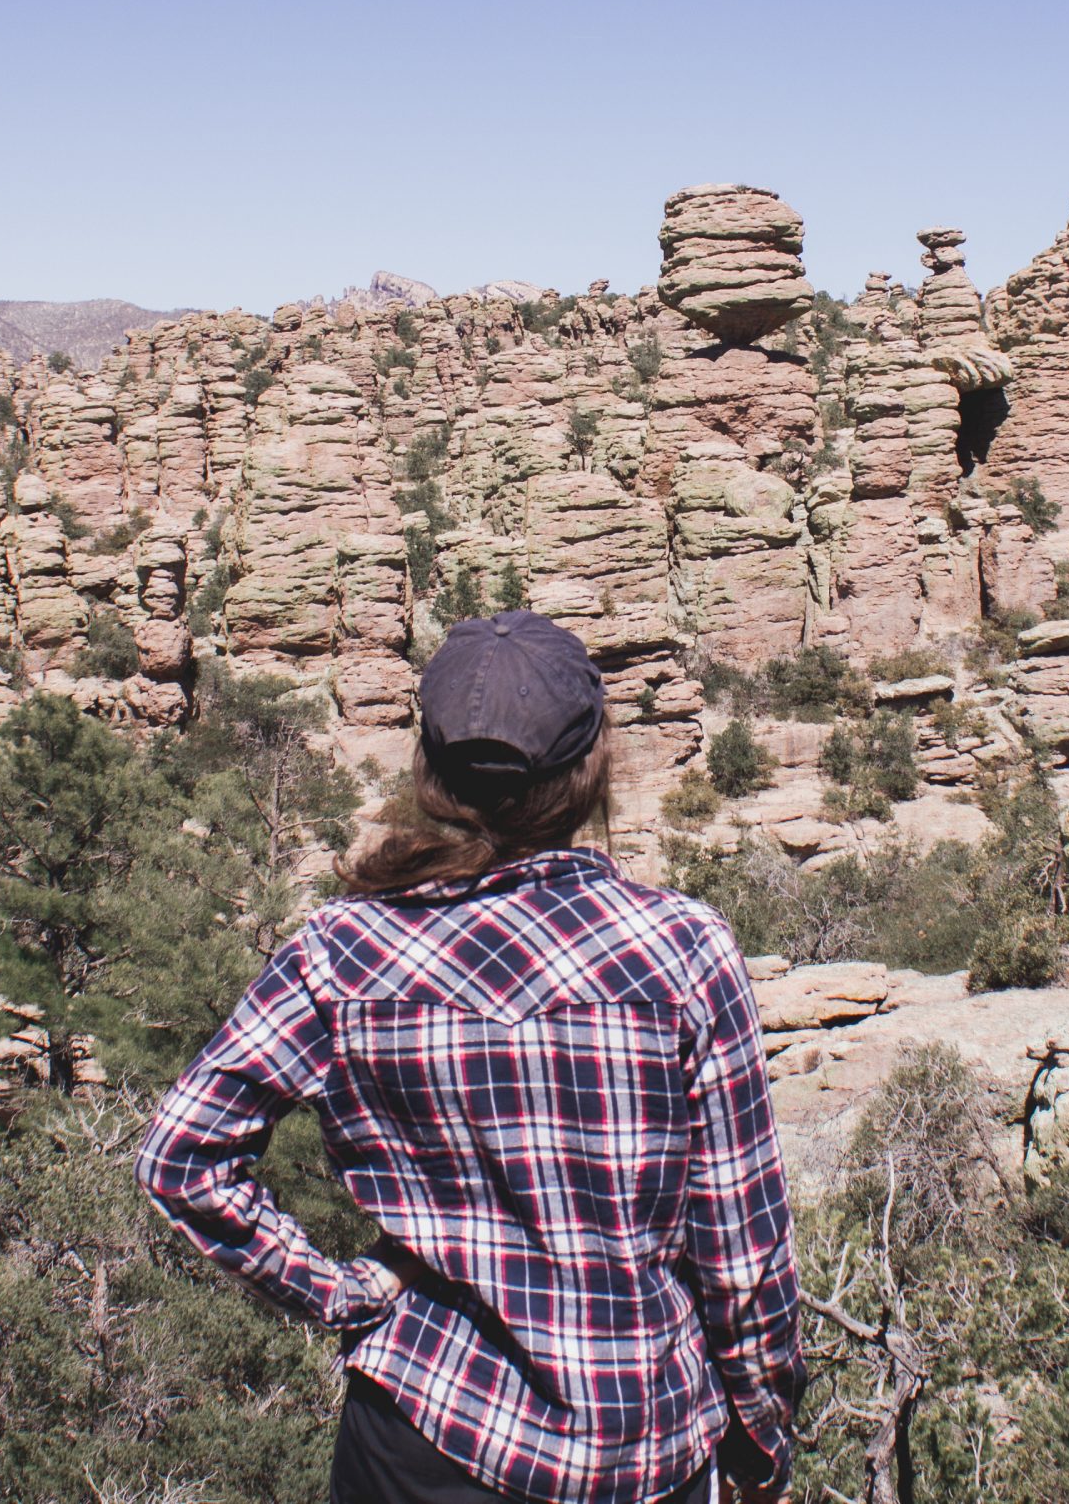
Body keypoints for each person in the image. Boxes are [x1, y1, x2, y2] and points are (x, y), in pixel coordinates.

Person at [138, 610, 805, 1504]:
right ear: (589, 769)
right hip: (644, 1447)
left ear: (430, 772)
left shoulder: (345, 951)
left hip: (424, 1438)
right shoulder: (683, 951)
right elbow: (743, 1256)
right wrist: (760, 1440)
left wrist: (339, 1293)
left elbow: (182, 1157)